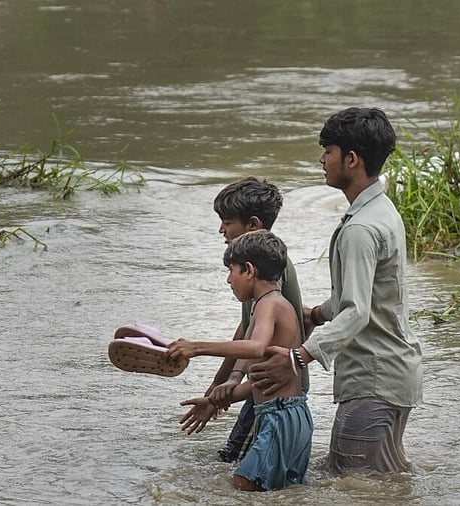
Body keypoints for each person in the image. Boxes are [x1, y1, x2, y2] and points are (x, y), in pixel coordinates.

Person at [248, 107, 423, 474]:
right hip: (394, 374)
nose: (322, 159)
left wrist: (300, 356)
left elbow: (357, 311)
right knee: (386, 479)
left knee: (356, 483)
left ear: (352, 159)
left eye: (328, 151)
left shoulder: (361, 229)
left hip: (372, 379)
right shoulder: (382, 211)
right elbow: (364, 296)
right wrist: (316, 315)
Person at [167, 230, 313, 491]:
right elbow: (260, 381)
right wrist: (214, 400)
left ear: (248, 270)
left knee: (244, 486)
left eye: (230, 271)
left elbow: (255, 348)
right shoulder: (267, 305)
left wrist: (196, 347)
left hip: (279, 416)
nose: (228, 280)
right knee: (273, 492)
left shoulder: (270, 304)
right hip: (290, 413)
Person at [178, 177, 309, 465]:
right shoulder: (263, 269)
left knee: (239, 465)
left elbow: (256, 343)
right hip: (264, 384)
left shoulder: (270, 271)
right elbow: (247, 329)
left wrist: (198, 349)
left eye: (227, 221)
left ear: (252, 225)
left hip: (277, 387)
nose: (221, 230)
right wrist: (220, 385)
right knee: (238, 462)